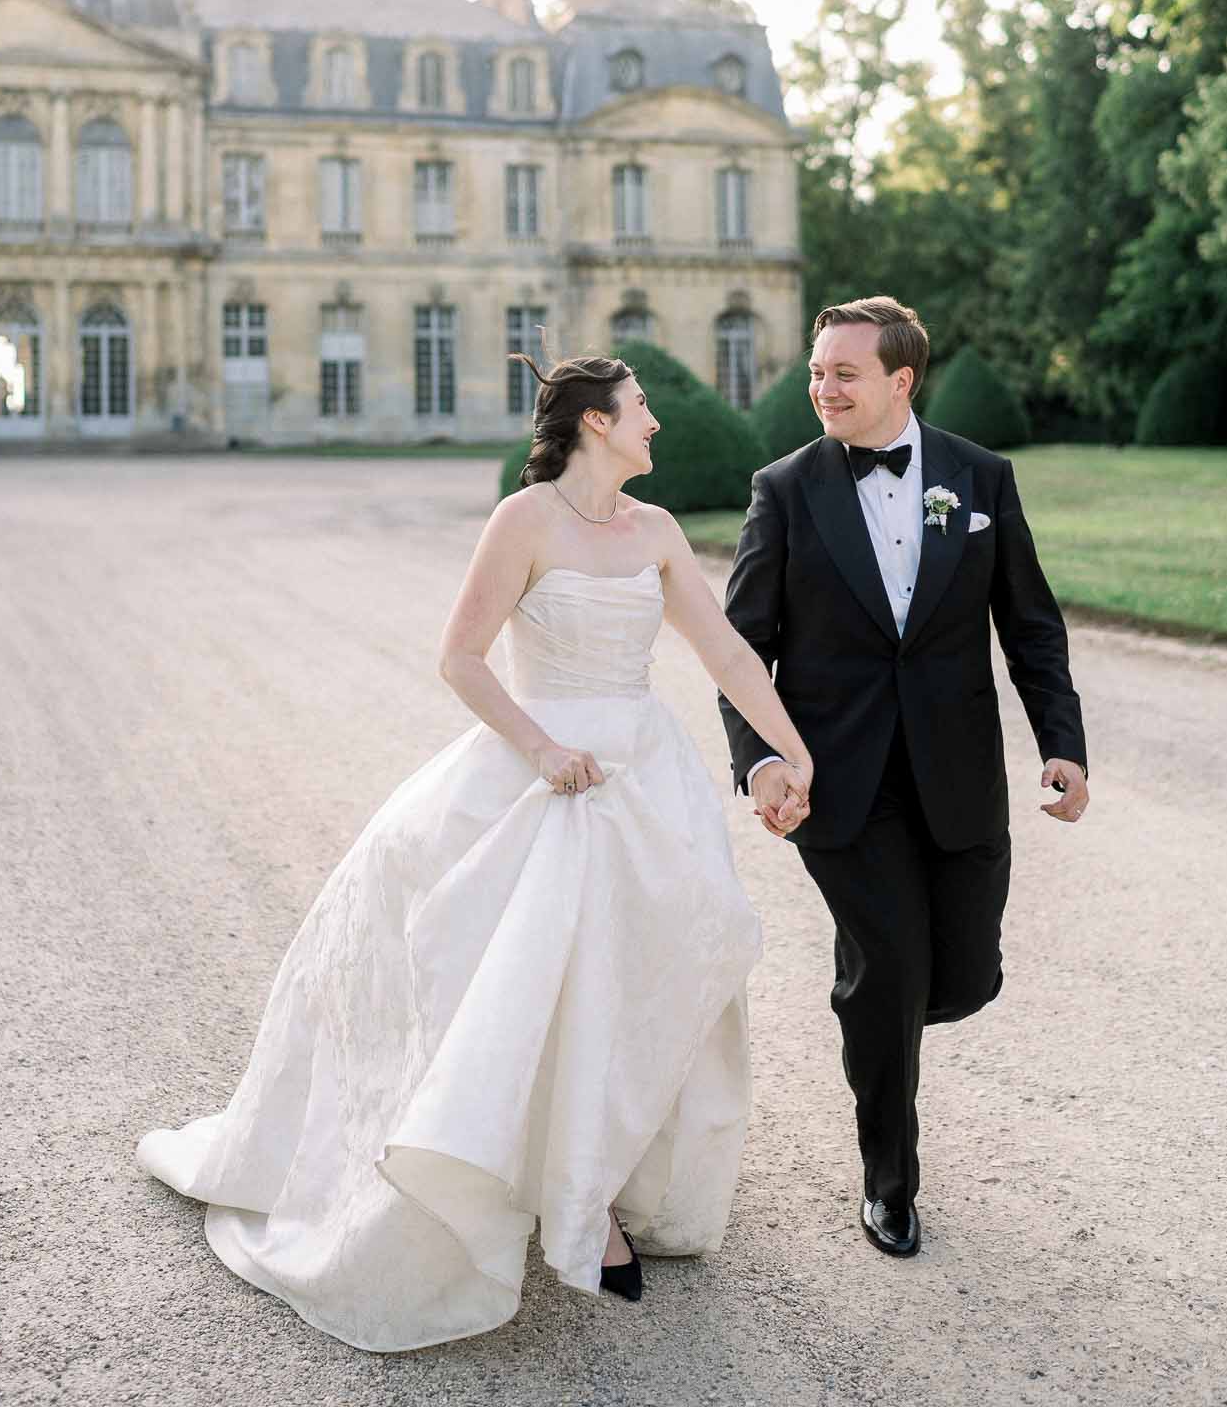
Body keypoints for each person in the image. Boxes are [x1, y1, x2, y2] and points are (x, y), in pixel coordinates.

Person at [137, 352, 812, 1352]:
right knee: (524, 987)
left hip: (645, 776)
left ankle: (596, 1184)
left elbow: (722, 650)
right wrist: (539, 747)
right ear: (594, 421)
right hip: (542, 776)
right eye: (641, 409)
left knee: (637, 982)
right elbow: (460, 656)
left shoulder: (658, 531)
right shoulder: (524, 519)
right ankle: (543, 1199)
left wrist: (790, 744)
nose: (658, 423)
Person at [719, 296, 1089, 1259]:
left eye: (843, 373)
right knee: (887, 970)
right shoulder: (784, 488)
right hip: (837, 782)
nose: (821, 388)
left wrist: (1062, 742)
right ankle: (889, 1181)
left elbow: (1029, 625)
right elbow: (737, 651)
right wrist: (759, 761)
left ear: (899, 380)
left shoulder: (980, 478)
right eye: (815, 370)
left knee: (958, 976)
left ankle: (883, 996)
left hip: (957, 772)